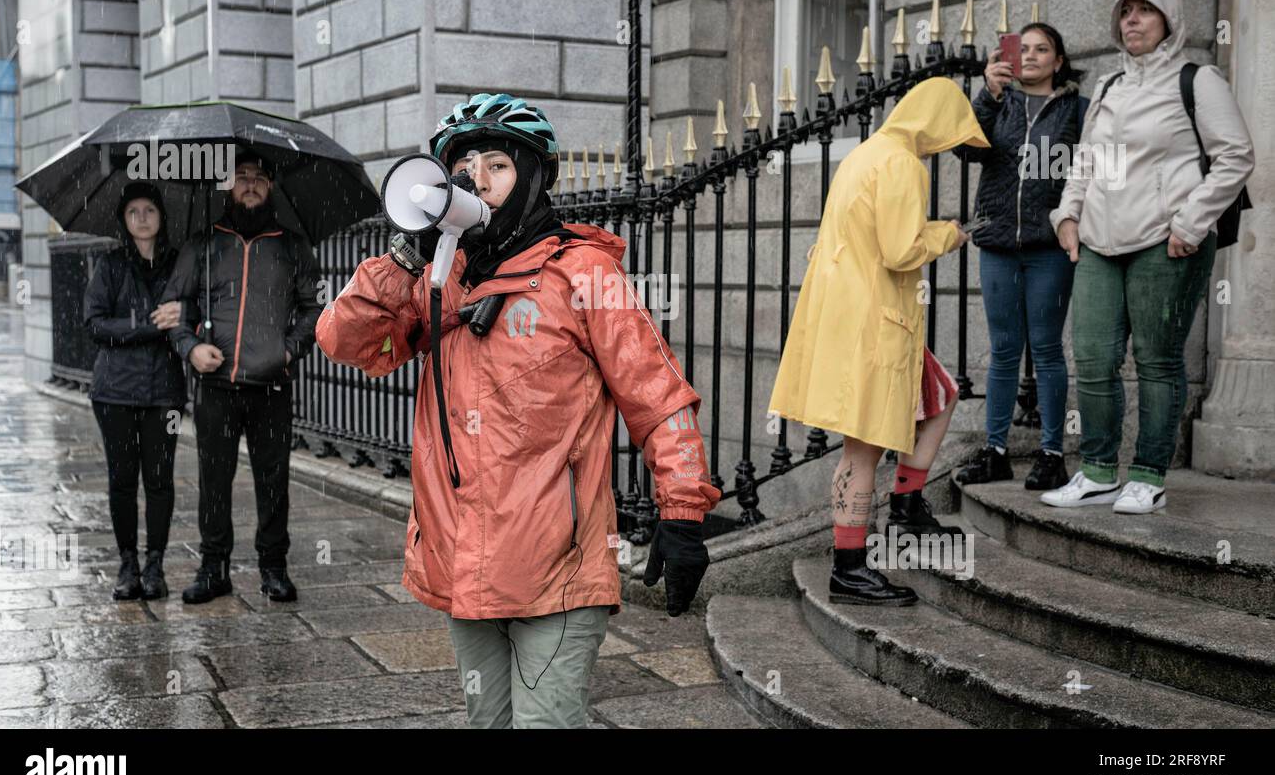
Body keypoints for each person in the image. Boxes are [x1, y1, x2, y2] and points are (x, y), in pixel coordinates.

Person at [316, 93, 721, 728]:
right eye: (464, 166)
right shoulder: (445, 279)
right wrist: (404, 258)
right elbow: (345, 340)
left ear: (533, 178)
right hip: (462, 560)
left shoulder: (581, 272)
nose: (476, 180)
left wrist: (683, 510)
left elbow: (657, 394)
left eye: (497, 165)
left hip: (556, 565)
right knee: (488, 721)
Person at [769, 78, 986, 606]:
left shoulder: (866, 154)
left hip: (854, 316)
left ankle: (907, 508)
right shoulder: (903, 164)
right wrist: (950, 234)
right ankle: (849, 571)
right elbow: (901, 249)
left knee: (940, 394)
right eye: (949, 137)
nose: (945, 149)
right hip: (875, 322)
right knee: (862, 450)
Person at [1044, 0, 1255, 513]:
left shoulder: (1197, 80)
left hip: (1166, 243)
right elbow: (1087, 160)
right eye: (1125, 12)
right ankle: (1096, 471)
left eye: (1144, 11)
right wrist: (1067, 213)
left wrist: (1191, 223)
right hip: (1098, 241)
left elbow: (1235, 156)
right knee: (1091, 358)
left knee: (1158, 361)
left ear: (1169, 20)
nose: (1131, 20)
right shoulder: (1110, 87)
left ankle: (1148, 474)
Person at [156, 149, 322, 601]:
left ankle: (273, 568)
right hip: (216, 387)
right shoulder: (202, 245)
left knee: (273, 481)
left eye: (259, 177)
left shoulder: (292, 246)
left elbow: (313, 309)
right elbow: (175, 310)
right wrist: (191, 349)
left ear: (270, 188)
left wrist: (288, 352)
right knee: (214, 481)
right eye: (241, 176)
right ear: (228, 187)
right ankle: (214, 570)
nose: (250, 183)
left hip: (272, 386)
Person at [954, 23, 1088, 491]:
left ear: (1058, 60)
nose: (1030, 56)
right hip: (996, 243)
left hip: (1049, 245)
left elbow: (1094, 168)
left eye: (1041, 49)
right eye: (1023, 49)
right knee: (1004, 350)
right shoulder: (1000, 103)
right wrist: (988, 94)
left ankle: (1052, 454)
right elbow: (965, 149)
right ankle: (996, 451)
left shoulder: (1077, 109)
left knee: (1048, 348)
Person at [83, 181, 185, 600]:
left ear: (161, 217)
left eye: (149, 210)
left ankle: (155, 563)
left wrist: (185, 313)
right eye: (133, 212)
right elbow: (93, 324)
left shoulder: (180, 263)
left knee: (159, 480)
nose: (142, 218)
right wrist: (147, 326)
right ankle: (127, 564)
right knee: (122, 480)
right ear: (124, 221)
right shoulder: (110, 265)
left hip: (164, 390)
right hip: (115, 391)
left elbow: (197, 311)